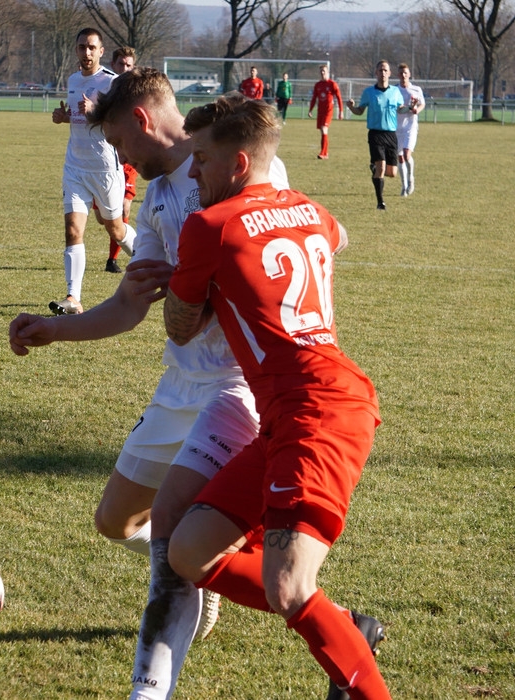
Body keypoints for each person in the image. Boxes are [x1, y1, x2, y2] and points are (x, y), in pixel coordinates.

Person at [10, 68, 301, 700]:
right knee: (115, 521)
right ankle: (212, 571)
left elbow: (261, 275)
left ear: (141, 122)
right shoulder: (163, 198)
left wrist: (188, 281)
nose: (119, 160)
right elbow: (128, 306)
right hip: (179, 386)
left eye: (118, 145)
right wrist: (53, 330)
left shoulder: (232, 170)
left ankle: (150, 686)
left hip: (235, 387)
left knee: (169, 536)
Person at [162, 93, 391, 700]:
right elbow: (335, 237)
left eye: (203, 159)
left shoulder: (208, 226)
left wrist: (190, 281)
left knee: (287, 587)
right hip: (295, 411)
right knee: (188, 551)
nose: (192, 172)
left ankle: (355, 662)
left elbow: (181, 328)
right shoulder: (312, 210)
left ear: (237, 165)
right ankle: (345, 628)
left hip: (318, 410)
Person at [49, 28, 137, 314]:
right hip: (75, 167)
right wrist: (64, 117)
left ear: (101, 52)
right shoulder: (73, 79)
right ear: (75, 50)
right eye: (81, 47)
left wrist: (96, 113)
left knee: (114, 228)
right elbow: (78, 118)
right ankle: (73, 298)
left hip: (105, 169)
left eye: (91, 48)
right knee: (73, 230)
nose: (86, 53)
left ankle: (151, 264)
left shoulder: (111, 83)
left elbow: (122, 122)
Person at [346, 60, 413, 210]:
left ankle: (374, 168)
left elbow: (400, 109)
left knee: (392, 173)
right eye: (380, 70)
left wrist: (409, 107)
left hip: (391, 135)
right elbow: (359, 111)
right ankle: (380, 202)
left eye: (385, 70)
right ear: (376, 73)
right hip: (375, 133)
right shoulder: (369, 92)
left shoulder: (395, 92)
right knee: (381, 167)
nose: (383, 73)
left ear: (389, 74)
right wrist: (351, 107)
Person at [105, 46, 139, 274]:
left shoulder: (138, 92)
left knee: (125, 207)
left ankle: (115, 260)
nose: (124, 69)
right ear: (113, 64)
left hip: (129, 159)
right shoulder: (105, 90)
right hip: (105, 161)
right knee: (105, 218)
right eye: (120, 64)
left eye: (128, 65)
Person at [395, 63, 424, 197]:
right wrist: (408, 108)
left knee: (407, 154)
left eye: (405, 73)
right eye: (401, 73)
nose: (403, 75)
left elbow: (422, 103)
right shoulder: (394, 90)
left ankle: (411, 178)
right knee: (399, 157)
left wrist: (417, 109)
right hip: (396, 127)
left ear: (409, 74)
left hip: (410, 127)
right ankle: (404, 185)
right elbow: (397, 108)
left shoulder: (416, 89)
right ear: (398, 75)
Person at [308, 65, 343, 160]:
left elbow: (339, 98)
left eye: (324, 71)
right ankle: (325, 153)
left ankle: (323, 153)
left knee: (324, 129)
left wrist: (341, 111)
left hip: (328, 111)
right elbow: (314, 98)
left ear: (328, 72)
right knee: (322, 132)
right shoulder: (318, 85)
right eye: (321, 71)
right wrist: (310, 109)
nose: (322, 73)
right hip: (320, 112)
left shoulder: (332, 84)